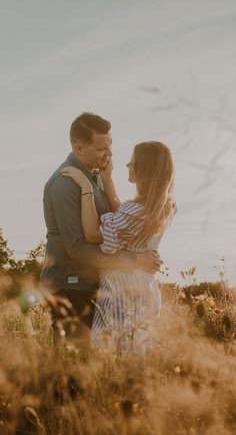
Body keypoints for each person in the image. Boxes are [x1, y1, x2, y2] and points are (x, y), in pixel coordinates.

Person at [39, 112, 162, 346]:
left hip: (90, 284)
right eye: (101, 149)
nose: (110, 154)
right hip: (70, 286)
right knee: (74, 369)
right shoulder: (65, 182)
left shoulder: (95, 177)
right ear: (79, 148)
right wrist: (133, 259)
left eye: (110, 146)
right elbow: (77, 248)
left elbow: (117, 223)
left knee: (94, 368)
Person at [61, 140, 176, 353]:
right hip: (144, 289)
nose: (127, 166)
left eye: (132, 163)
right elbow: (122, 215)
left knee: (117, 358)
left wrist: (86, 187)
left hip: (121, 295)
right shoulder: (165, 206)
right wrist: (107, 178)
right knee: (136, 353)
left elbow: (94, 234)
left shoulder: (134, 212)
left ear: (144, 170)